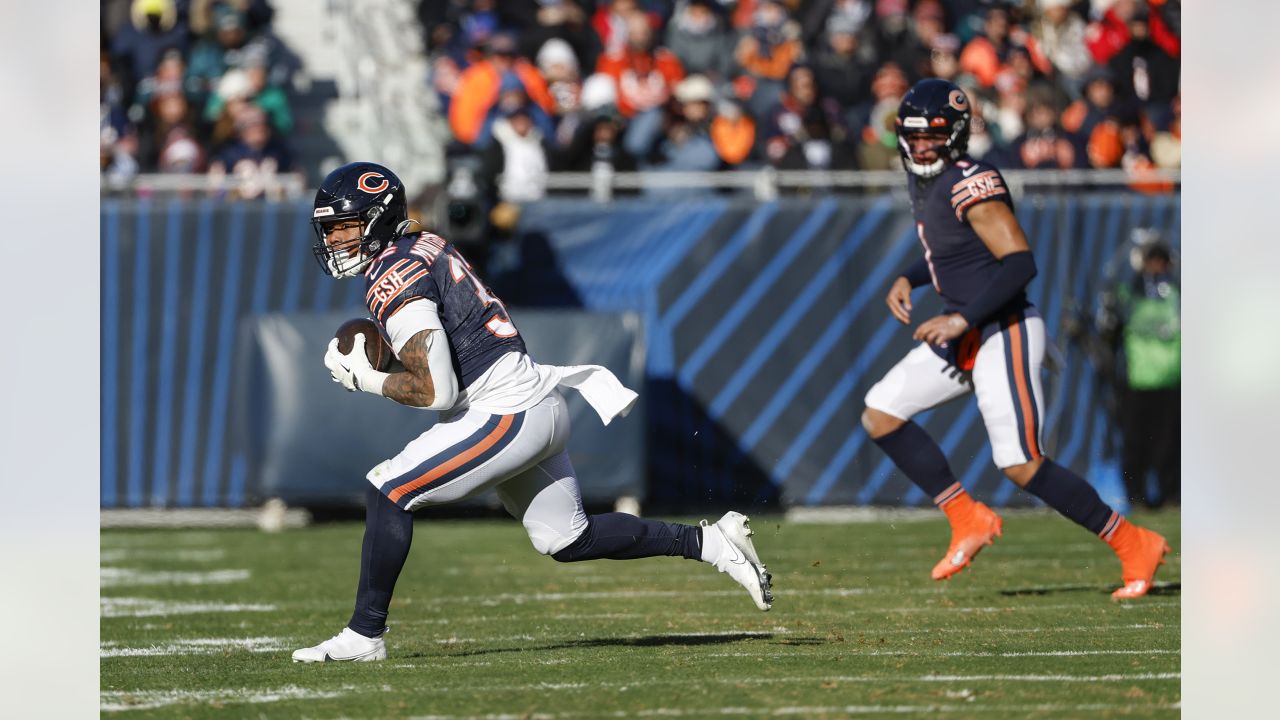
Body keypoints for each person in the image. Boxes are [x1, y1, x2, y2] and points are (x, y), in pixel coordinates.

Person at [292, 162, 773, 662]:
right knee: (568, 538)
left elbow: (436, 391)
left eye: (344, 226)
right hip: (531, 403)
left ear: (377, 219)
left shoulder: (394, 271)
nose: (334, 239)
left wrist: (367, 378)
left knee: (389, 489)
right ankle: (712, 542)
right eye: (329, 229)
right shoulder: (424, 247)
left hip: (506, 412)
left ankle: (364, 636)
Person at [859, 78, 1170, 599]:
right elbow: (949, 250)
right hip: (967, 327)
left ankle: (1134, 542)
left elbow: (1019, 262)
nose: (919, 146)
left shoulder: (970, 179)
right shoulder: (926, 181)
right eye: (911, 136)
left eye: (932, 136)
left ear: (955, 136)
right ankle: (966, 517)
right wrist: (908, 277)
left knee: (1021, 463)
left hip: (1002, 327)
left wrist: (961, 320)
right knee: (881, 413)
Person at [1098, 231, 1181, 508]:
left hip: (1171, 379)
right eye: (1151, 260)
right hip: (1138, 380)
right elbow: (1111, 328)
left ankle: (1171, 495)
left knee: (1170, 445)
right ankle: (1137, 496)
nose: (1156, 266)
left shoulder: (1178, 294)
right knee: (1135, 444)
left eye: (1161, 260)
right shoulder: (1129, 292)